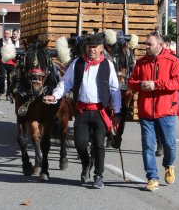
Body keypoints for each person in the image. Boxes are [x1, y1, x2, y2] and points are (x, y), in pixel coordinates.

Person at [43, 34, 121, 189]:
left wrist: (117, 112)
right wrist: (55, 96)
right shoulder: (78, 63)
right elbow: (66, 83)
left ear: (101, 48)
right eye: (89, 47)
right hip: (82, 111)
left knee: (99, 144)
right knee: (80, 143)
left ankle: (99, 175)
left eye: (94, 47)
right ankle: (86, 164)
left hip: (100, 111)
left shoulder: (108, 65)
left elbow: (115, 89)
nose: (91, 50)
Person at [128, 32, 179, 191]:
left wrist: (156, 84)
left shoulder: (173, 61)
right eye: (146, 43)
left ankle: (169, 164)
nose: (146, 46)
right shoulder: (141, 63)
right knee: (147, 146)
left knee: (169, 145)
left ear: (160, 45)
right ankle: (152, 177)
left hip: (166, 110)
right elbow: (131, 82)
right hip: (146, 112)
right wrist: (141, 85)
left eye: (149, 44)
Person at [155, 35, 179, 157]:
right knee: (156, 125)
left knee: (167, 126)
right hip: (154, 99)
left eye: (162, 44)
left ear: (167, 45)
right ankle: (159, 144)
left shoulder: (176, 60)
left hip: (170, 99)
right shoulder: (153, 59)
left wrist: (178, 87)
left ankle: (166, 147)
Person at [0, 29, 18, 100]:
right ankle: (1, 93)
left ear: (10, 35)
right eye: (5, 33)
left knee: (10, 78)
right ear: (3, 34)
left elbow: (17, 52)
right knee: (2, 77)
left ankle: (8, 94)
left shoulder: (14, 42)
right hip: (2, 61)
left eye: (8, 33)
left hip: (11, 62)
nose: (6, 35)